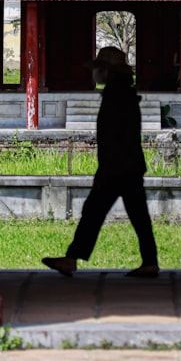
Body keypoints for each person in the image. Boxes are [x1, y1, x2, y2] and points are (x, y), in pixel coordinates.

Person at [42, 47, 160, 278]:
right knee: (133, 215)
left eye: (98, 69)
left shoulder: (117, 96)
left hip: (118, 167)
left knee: (95, 212)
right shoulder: (122, 93)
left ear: (107, 71)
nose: (94, 73)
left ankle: (72, 258)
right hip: (128, 165)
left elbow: (114, 137)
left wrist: (105, 170)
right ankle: (149, 261)